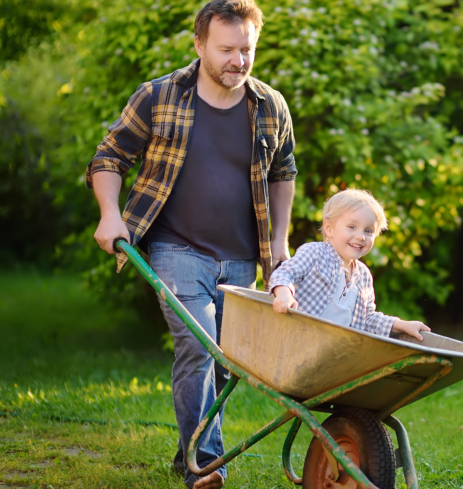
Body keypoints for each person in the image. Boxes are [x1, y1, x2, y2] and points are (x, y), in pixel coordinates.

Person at [86, 0, 294, 487]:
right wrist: (110, 215)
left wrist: (280, 243)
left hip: (243, 258)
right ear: (199, 44)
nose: (238, 61)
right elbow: (109, 157)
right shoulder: (158, 97)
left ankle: (189, 455)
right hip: (174, 250)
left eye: (247, 50)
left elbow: (283, 173)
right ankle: (207, 465)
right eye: (226, 49)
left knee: (224, 367)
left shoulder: (270, 106)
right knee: (199, 349)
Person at [270, 189, 431, 341]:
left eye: (368, 231)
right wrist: (284, 294)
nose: (361, 236)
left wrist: (403, 325)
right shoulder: (314, 253)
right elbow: (285, 273)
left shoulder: (364, 275)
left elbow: (367, 320)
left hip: (332, 353)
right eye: (352, 227)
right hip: (297, 339)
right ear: (329, 228)